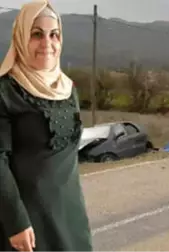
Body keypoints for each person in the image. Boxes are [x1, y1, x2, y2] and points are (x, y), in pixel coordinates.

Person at [0, 1, 93, 251]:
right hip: (28, 221)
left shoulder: (67, 88)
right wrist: (15, 222)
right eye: (36, 34)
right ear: (20, 37)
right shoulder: (6, 91)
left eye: (54, 34)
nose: (47, 43)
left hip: (70, 214)